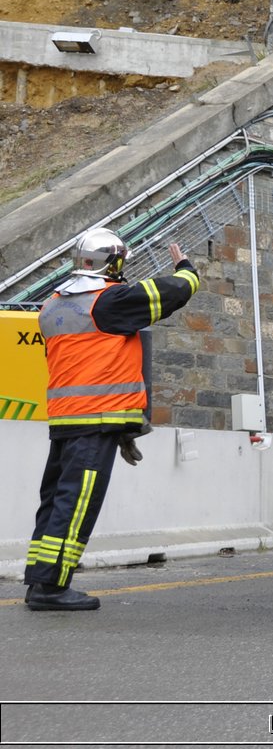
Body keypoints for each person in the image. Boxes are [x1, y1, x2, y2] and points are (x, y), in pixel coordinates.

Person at [23, 229, 198, 612]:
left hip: (66, 421)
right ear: (114, 263)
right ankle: (52, 589)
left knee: (54, 501)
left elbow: (93, 361)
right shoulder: (110, 302)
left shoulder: (52, 306)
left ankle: (40, 580)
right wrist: (186, 266)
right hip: (95, 422)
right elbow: (176, 291)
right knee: (77, 503)